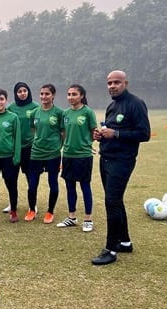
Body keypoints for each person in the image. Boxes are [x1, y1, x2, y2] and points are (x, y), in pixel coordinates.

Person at [91, 71, 151, 265]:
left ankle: (111, 249)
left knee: (111, 202)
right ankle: (124, 241)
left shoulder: (135, 104)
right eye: (109, 83)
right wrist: (101, 135)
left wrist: (115, 134)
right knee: (116, 201)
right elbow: (109, 130)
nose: (112, 86)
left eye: (117, 82)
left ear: (126, 82)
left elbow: (144, 133)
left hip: (122, 161)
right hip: (106, 158)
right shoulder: (112, 105)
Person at [57, 84, 96, 232]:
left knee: (85, 186)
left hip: (83, 156)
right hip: (67, 155)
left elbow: (93, 132)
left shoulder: (87, 112)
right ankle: (72, 217)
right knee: (69, 186)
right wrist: (67, 146)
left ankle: (88, 219)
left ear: (81, 96)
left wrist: (86, 144)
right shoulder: (65, 113)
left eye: (74, 94)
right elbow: (64, 133)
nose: (71, 97)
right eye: (69, 94)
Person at [27, 84, 65, 223]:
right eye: (42, 94)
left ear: (53, 96)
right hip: (36, 153)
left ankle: (50, 212)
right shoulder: (34, 113)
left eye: (47, 94)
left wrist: (58, 146)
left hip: (53, 154)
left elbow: (63, 133)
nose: (44, 96)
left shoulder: (59, 113)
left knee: (52, 183)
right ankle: (32, 210)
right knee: (32, 184)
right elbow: (33, 130)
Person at [0, 89, 21, 222]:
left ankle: (13, 211)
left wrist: (16, 157)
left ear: (6, 100)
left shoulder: (13, 117)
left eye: (1, 99)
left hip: (8, 158)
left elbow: (17, 138)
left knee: (11, 184)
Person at [3, 82, 39, 213]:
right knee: (11, 177)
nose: (22, 93)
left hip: (30, 148)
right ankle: (12, 203)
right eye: (19, 91)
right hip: (14, 148)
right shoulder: (11, 108)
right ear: (15, 94)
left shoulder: (36, 107)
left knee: (31, 177)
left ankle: (33, 204)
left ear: (28, 91)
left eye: (25, 90)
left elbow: (39, 126)